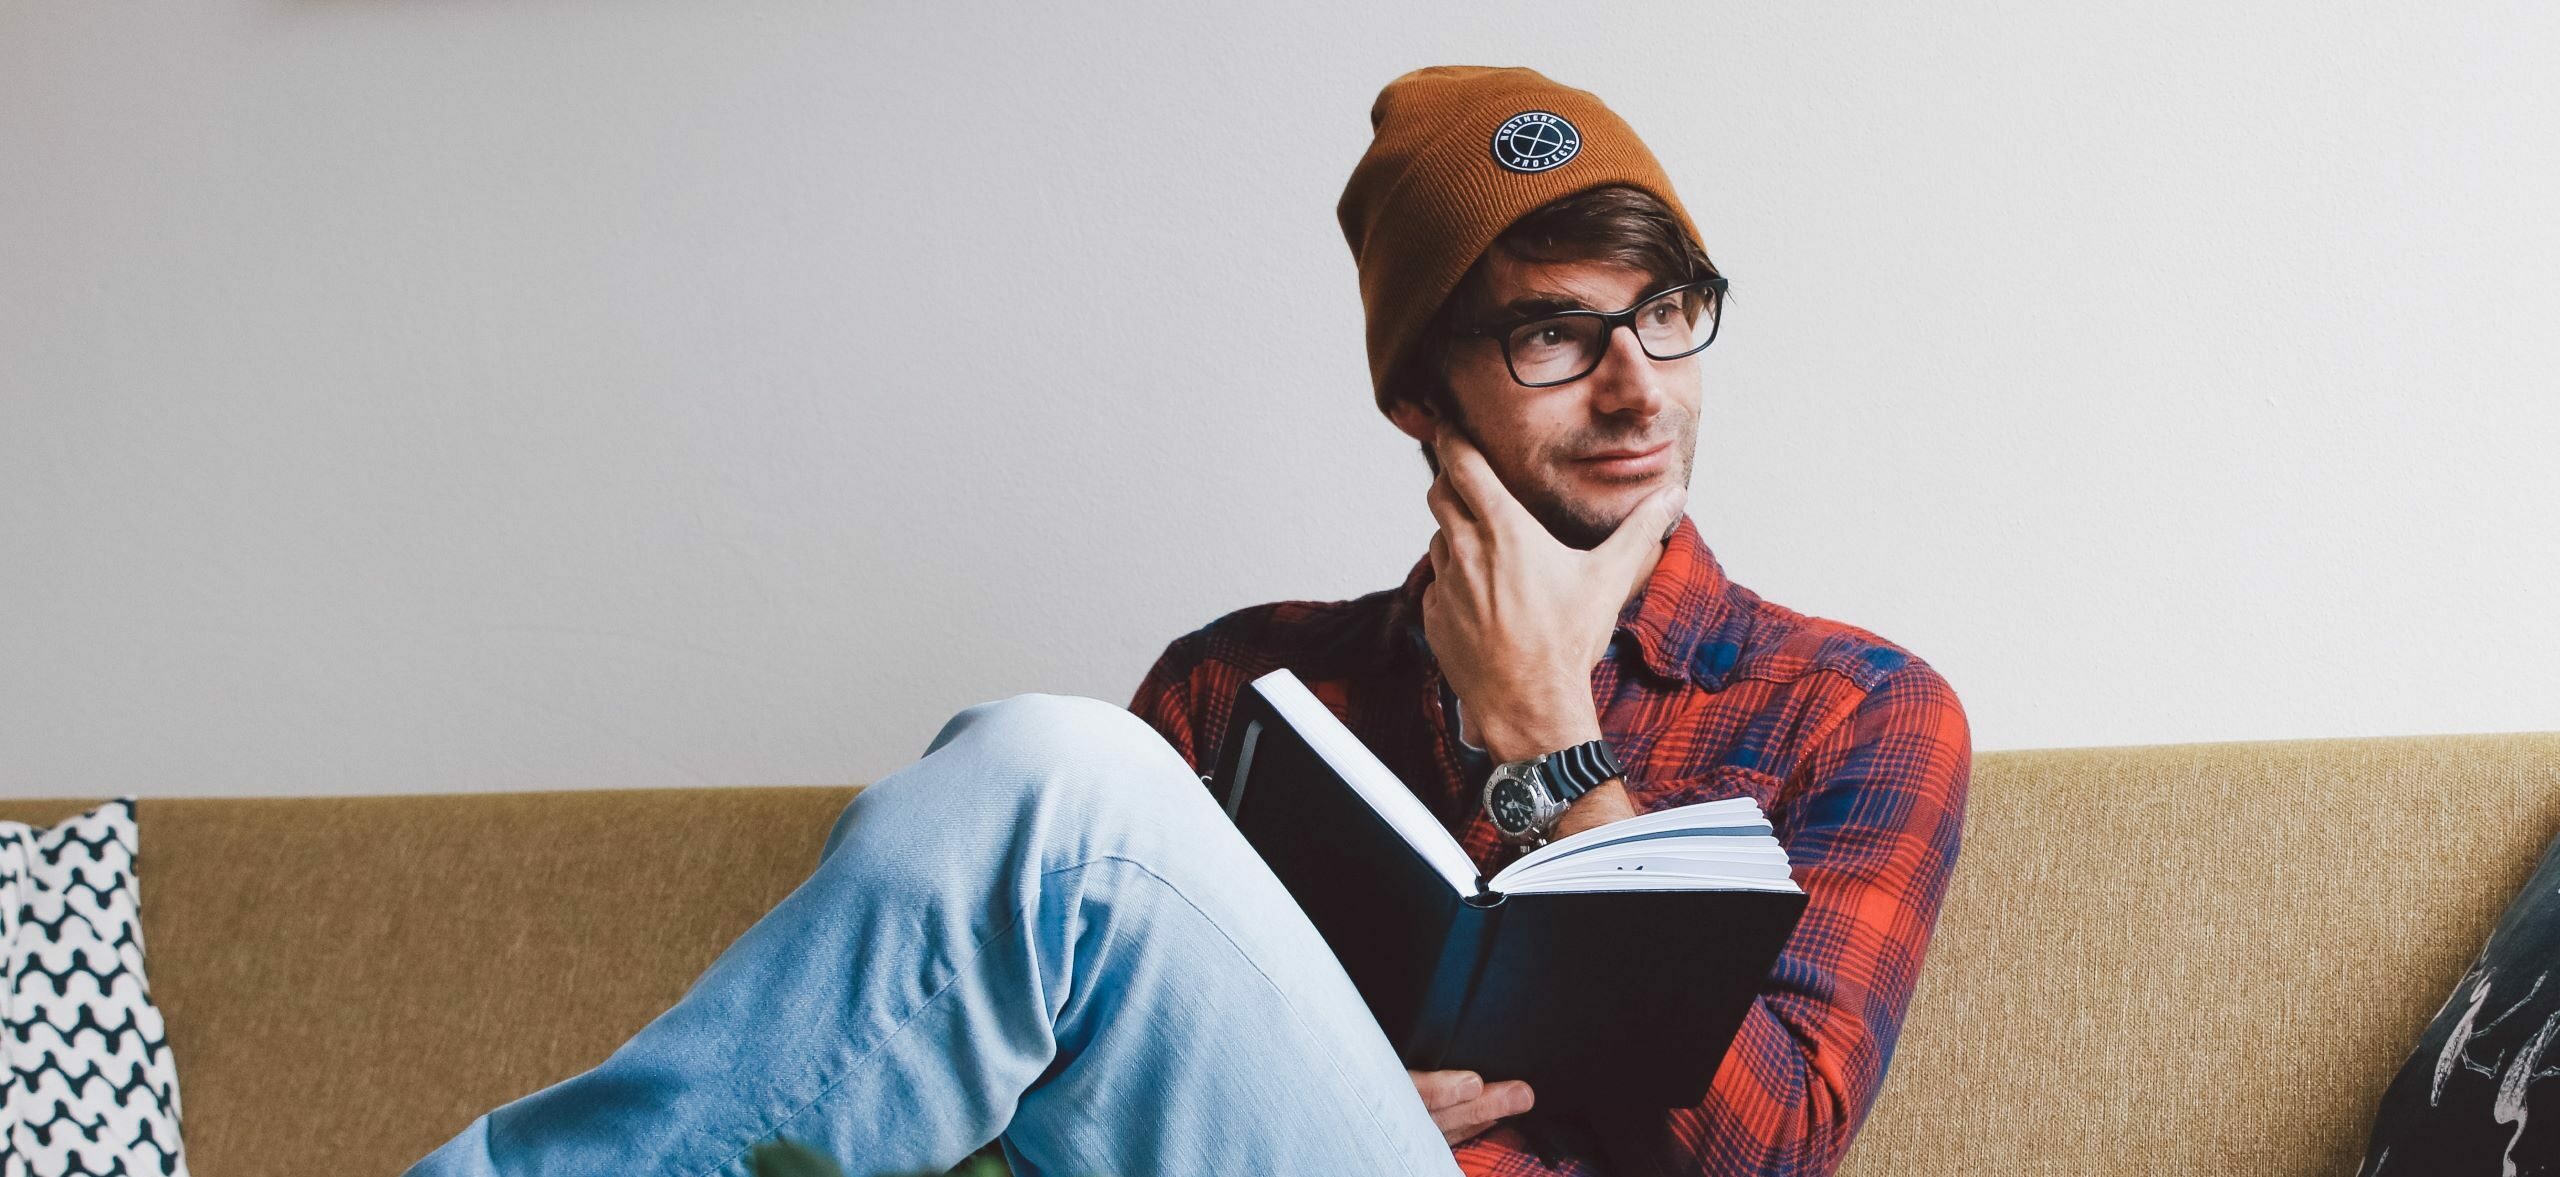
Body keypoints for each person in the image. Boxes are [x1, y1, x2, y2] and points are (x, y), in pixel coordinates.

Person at [402, 64, 1969, 1177]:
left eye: (1667, 312)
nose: (1637, 385)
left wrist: (1549, 734)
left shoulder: (1856, 709)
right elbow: (990, 1106)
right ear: (1422, 393)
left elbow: (1774, 1154)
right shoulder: (1244, 686)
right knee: (1058, 784)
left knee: (1061, 792)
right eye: (1557, 332)